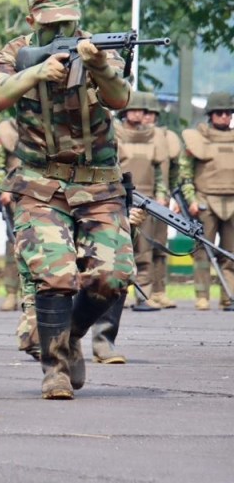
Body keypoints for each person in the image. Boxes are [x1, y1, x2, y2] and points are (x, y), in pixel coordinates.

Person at [0, 0, 134, 400]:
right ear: (32, 20)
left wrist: (98, 65)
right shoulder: (15, 52)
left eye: (68, 23)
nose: (61, 33)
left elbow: (120, 98)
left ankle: (67, 338)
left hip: (98, 183)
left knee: (113, 277)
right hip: (39, 184)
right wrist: (35, 71)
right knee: (53, 277)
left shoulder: (99, 48)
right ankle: (56, 370)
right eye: (51, 25)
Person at [88, 91, 167, 365]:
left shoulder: (116, 135)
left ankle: (103, 341)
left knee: (119, 267)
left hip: (113, 200)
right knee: (61, 278)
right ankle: (56, 338)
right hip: (74, 200)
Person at [0, 120, 40, 360]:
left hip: (41, 192)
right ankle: (11, 292)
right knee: (15, 245)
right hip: (16, 194)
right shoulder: (7, 131)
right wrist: (4, 188)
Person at [179, 90, 234, 311]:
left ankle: (228, 295)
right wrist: (191, 199)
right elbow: (185, 175)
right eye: (219, 113)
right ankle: (202, 295)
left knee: (230, 254)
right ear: (210, 115)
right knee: (202, 251)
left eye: (229, 113)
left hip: (232, 201)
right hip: (204, 201)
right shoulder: (196, 139)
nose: (224, 117)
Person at [142, 94, 181, 308]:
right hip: (138, 197)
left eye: (150, 113)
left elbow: (174, 169)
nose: (146, 117)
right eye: (143, 112)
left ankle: (159, 290)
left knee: (160, 247)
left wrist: (170, 193)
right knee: (140, 248)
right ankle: (141, 292)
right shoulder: (128, 136)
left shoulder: (167, 138)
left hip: (161, 200)